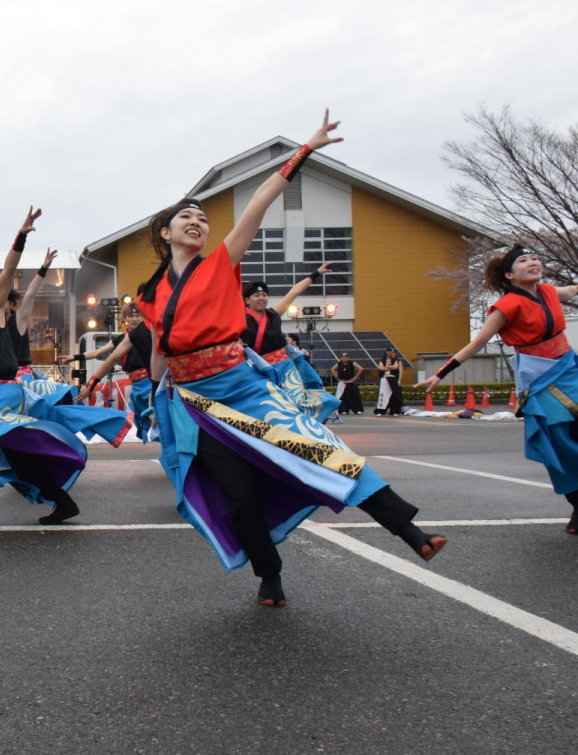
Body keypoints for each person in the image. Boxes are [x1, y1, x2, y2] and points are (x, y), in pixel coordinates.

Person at [134, 112, 446, 607]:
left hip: (243, 387)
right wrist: (153, 397)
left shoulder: (221, 262)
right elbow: (158, 350)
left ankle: (409, 529)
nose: (197, 223)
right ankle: (269, 574)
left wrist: (305, 150)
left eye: (202, 218)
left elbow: (258, 202)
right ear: (166, 233)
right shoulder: (150, 293)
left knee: (322, 450)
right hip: (196, 404)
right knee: (240, 500)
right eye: (185, 218)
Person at [0, 207, 131, 524]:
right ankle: (63, 503)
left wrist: (21, 236)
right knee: (18, 460)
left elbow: (8, 270)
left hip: (5, 391)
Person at [415, 244, 578, 535]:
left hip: (568, 367)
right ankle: (577, 501)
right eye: (525, 260)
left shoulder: (550, 292)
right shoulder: (507, 305)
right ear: (509, 274)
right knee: (558, 437)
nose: (534, 263)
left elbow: (572, 290)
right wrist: (440, 373)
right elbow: (476, 344)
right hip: (538, 378)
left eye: (536, 259)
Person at [242, 265, 341, 422]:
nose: (261, 298)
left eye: (264, 294)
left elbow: (294, 292)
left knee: (297, 400)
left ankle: (307, 426)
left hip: (284, 367)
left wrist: (316, 274)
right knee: (265, 406)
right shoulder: (240, 319)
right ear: (247, 300)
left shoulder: (274, 314)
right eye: (256, 295)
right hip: (257, 370)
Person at [67, 297, 156, 442]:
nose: (134, 319)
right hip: (136, 385)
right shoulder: (122, 339)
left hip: (149, 383)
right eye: (130, 316)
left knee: (156, 418)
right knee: (140, 419)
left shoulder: (150, 334)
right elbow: (97, 353)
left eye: (137, 316)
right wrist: (75, 356)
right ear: (124, 319)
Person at [8, 249, 77, 406]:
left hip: (21, 377)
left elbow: (30, 294)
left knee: (29, 416)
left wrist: (43, 268)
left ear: (11, 304)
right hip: (2, 378)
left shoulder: (18, 318)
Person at [374, 347, 405, 416]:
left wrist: (387, 366)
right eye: (390, 352)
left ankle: (394, 411)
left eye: (393, 352)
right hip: (384, 378)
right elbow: (381, 368)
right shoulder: (382, 360)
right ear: (387, 352)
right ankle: (380, 411)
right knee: (383, 395)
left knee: (394, 395)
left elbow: (395, 367)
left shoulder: (396, 360)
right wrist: (389, 367)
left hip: (393, 378)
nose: (392, 353)